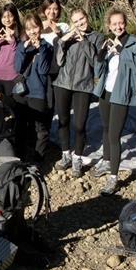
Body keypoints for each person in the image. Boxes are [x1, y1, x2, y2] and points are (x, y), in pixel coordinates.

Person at [92, 8, 136, 195]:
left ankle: (113, 178)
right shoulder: (108, 43)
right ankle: (106, 162)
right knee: (106, 128)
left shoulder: (133, 44)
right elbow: (98, 71)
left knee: (114, 136)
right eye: (114, 24)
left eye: (121, 23)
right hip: (105, 92)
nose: (118, 26)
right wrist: (101, 54)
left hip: (120, 95)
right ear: (109, 26)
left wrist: (122, 52)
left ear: (126, 23)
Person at [53, 10, 104, 176]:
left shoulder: (97, 37)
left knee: (80, 125)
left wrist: (84, 42)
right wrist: (62, 40)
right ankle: (65, 154)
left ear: (87, 17)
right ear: (71, 23)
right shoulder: (69, 37)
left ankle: (78, 158)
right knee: (63, 121)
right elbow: (59, 61)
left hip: (83, 86)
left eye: (81, 18)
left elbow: (96, 64)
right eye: (75, 21)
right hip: (63, 83)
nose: (80, 23)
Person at [13, 12, 53, 162]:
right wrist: (24, 48)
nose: (32, 32)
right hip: (22, 93)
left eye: (35, 28)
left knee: (40, 128)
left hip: (38, 93)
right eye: (29, 29)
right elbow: (17, 68)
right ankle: (19, 157)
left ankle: (38, 159)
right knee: (21, 125)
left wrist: (40, 50)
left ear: (40, 27)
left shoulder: (47, 48)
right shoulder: (22, 46)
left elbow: (43, 70)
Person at [0, 3, 23, 109]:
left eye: (10, 16)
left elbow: (19, 55)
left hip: (12, 77)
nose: (7, 19)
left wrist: (12, 42)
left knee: (11, 105)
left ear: (15, 17)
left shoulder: (21, 34)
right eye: (4, 17)